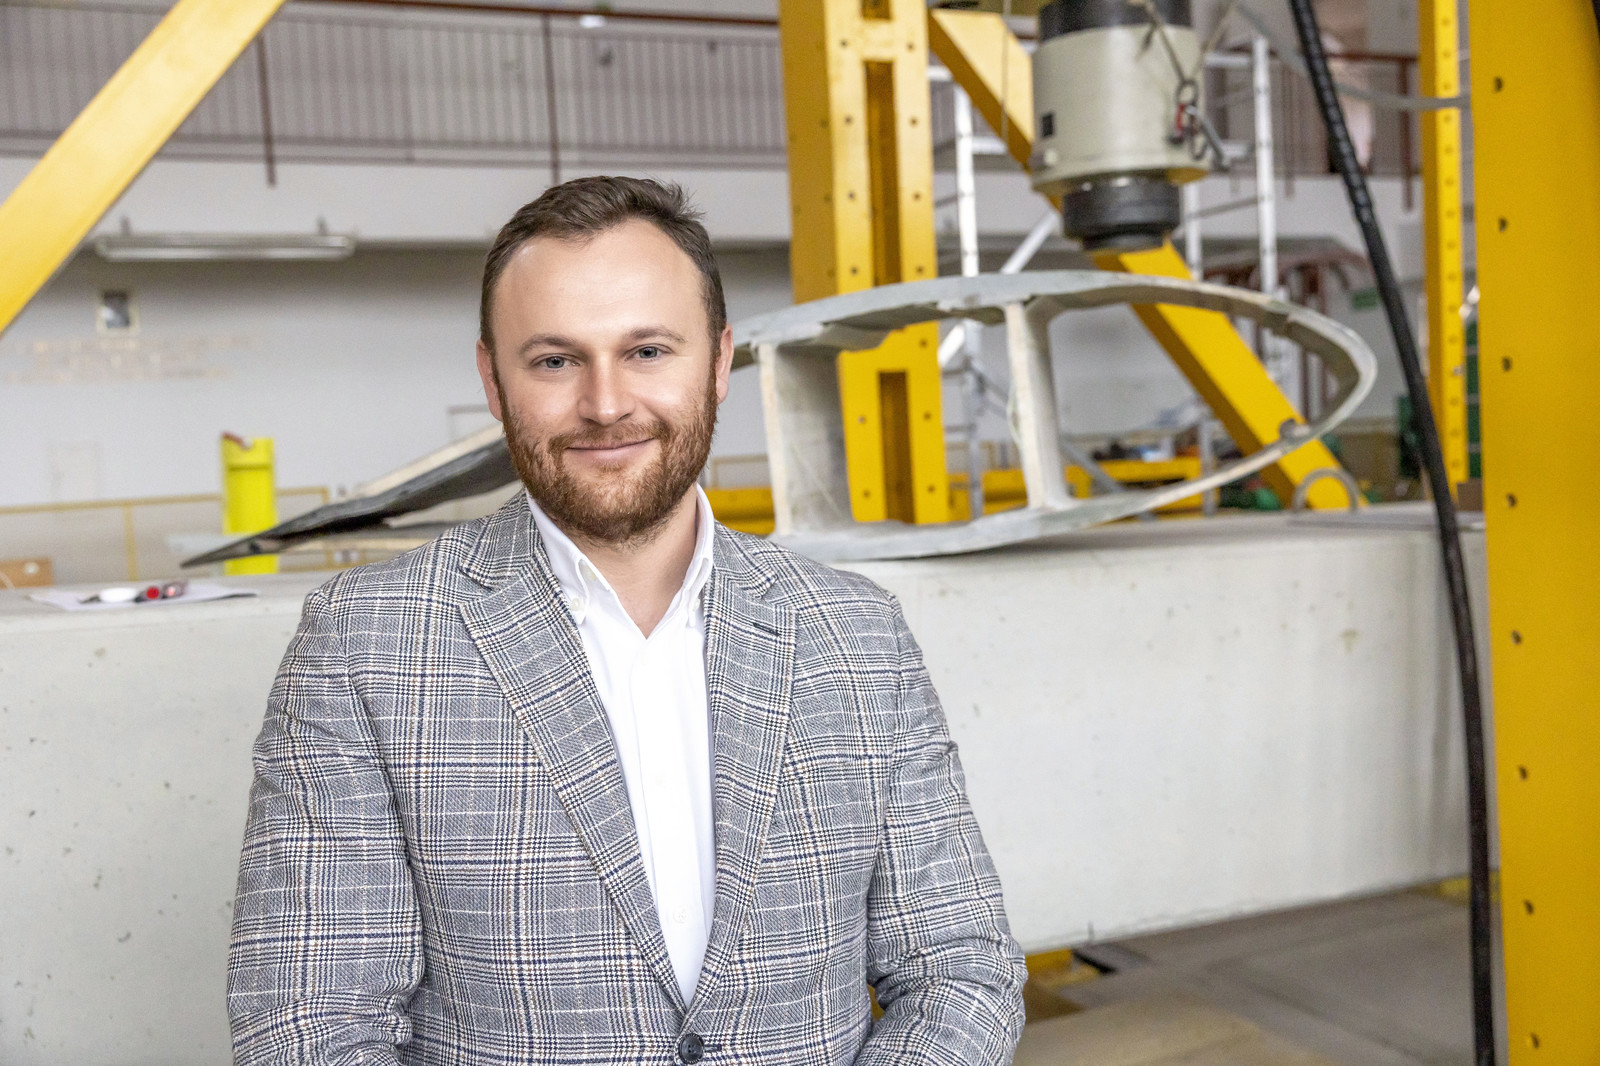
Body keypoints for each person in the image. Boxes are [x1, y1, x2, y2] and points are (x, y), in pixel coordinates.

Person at [227, 176, 1025, 1066]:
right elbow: (307, 1024)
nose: (606, 404)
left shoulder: (856, 634)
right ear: (493, 379)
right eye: (554, 361)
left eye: (647, 350)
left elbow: (961, 970)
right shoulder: (366, 644)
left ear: (718, 362)